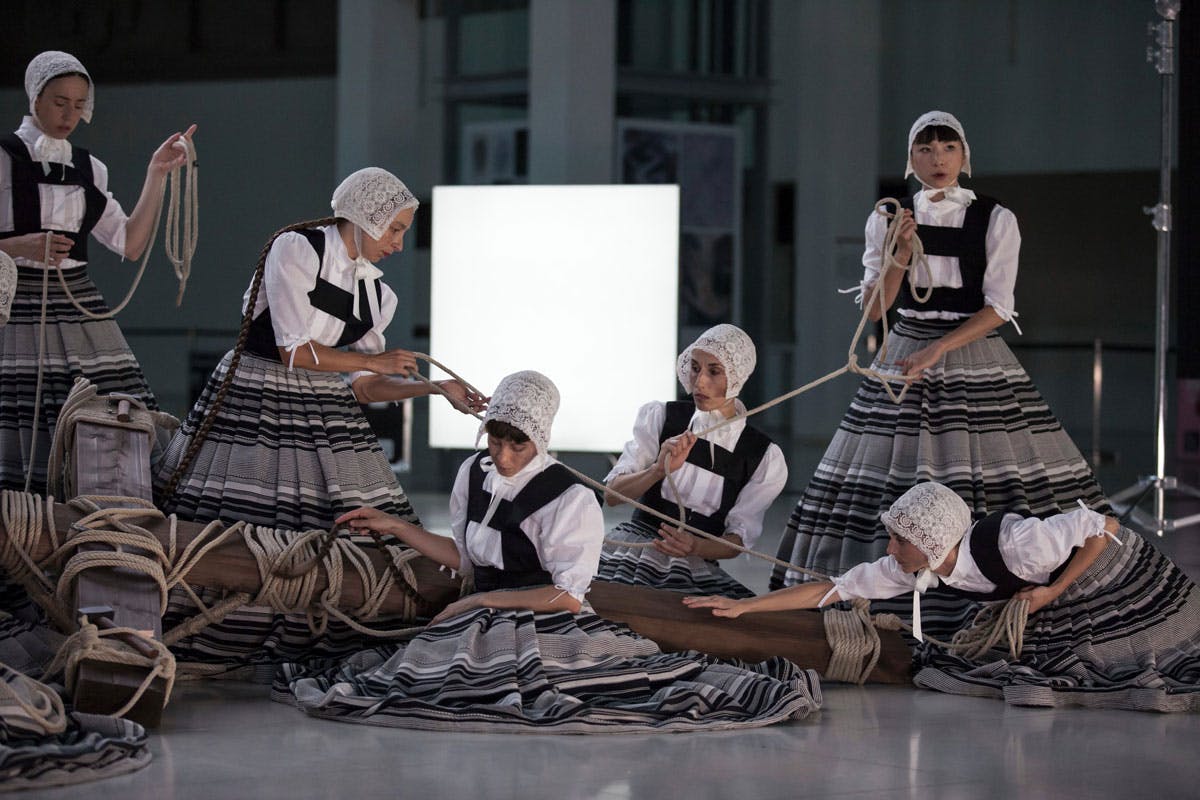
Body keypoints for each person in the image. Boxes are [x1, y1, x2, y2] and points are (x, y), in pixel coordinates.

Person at [283, 371, 822, 733]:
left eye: (517, 444)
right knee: (403, 683)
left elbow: (566, 598)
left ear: (539, 438)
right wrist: (393, 526)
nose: (503, 454)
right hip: (484, 614)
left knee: (554, 694)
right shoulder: (474, 473)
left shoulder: (569, 495)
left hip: (543, 620)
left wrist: (474, 605)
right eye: (494, 440)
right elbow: (469, 561)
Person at [772, 111, 1109, 608]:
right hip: (905, 344)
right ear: (910, 158)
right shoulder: (889, 216)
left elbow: (999, 306)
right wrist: (901, 254)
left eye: (948, 148)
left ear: (964, 154)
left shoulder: (995, 217)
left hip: (969, 350)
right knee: (892, 467)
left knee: (987, 467)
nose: (938, 160)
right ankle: (879, 585)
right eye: (926, 149)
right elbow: (876, 309)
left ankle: (982, 575)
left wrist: (939, 348)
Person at [153, 167, 482, 674]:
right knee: (245, 514)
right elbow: (292, 351)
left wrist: (435, 388)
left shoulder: (378, 295)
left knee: (335, 518)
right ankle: (219, 621)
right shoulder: (298, 248)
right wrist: (373, 361)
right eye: (394, 229)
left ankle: (322, 620)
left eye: (403, 232)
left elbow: (367, 387)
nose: (398, 244)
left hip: (324, 405)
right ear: (365, 216)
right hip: (254, 392)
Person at [690, 482, 1200, 711]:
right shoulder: (915, 564)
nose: (890, 548)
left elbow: (1104, 527)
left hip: (1115, 574)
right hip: (1049, 593)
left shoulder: (1014, 544)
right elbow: (834, 589)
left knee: (1137, 661)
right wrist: (746, 606)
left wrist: (1052, 591)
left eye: (900, 539)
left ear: (933, 543)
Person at [0, 50, 196, 493]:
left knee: (113, 399)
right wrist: (19, 246)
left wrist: (156, 174)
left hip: (77, 300)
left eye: (78, 103)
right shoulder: (4, 158)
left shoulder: (90, 168)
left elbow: (130, 243)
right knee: (23, 414)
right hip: (16, 302)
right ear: (34, 97)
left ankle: (101, 507)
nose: (70, 113)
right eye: (59, 101)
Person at [599, 324, 786, 598]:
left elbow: (737, 541)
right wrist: (657, 471)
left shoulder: (762, 455)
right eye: (695, 368)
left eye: (714, 372)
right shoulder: (662, 417)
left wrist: (695, 546)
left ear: (737, 377)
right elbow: (612, 496)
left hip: (695, 565)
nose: (699, 383)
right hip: (634, 549)